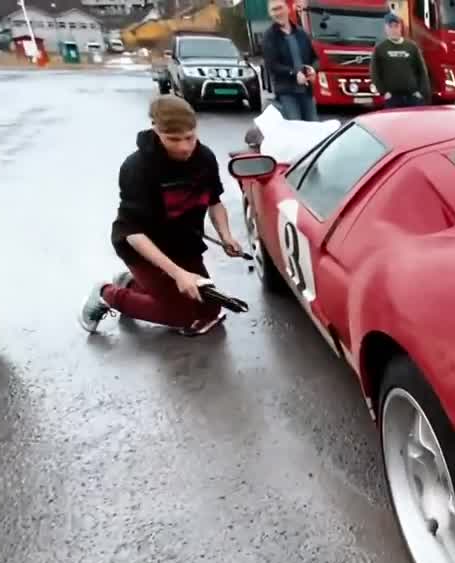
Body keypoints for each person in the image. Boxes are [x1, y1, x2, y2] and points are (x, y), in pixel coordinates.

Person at [78, 96, 243, 337]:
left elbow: (214, 202)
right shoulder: (136, 168)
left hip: (185, 245)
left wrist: (226, 236)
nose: (185, 147)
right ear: (156, 130)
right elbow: (134, 234)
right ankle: (106, 293)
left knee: (209, 310)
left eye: (190, 137)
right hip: (143, 248)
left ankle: (135, 283)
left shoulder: (204, 158)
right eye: (173, 140)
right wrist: (178, 274)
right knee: (182, 316)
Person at [262, 0, 319, 121]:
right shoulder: (269, 36)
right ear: (270, 14)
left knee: (313, 128)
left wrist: (314, 70)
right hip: (287, 93)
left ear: (288, 9)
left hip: (306, 92)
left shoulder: (301, 33)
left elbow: (314, 58)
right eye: (274, 10)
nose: (278, 12)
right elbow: (272, 65)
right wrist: (294, 73)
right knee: (295, 129)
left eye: (280, 8)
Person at [370, 12, 431, 108]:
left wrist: (421, 92)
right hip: (392, 98)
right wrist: (383, 92)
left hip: (413, 97)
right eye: (391, 27)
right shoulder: (380, 48)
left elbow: (422, 71)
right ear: (386, 28)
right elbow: (374, 72)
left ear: (400, 27)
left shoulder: (411, 47)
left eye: (396, 26)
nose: (394, 30)